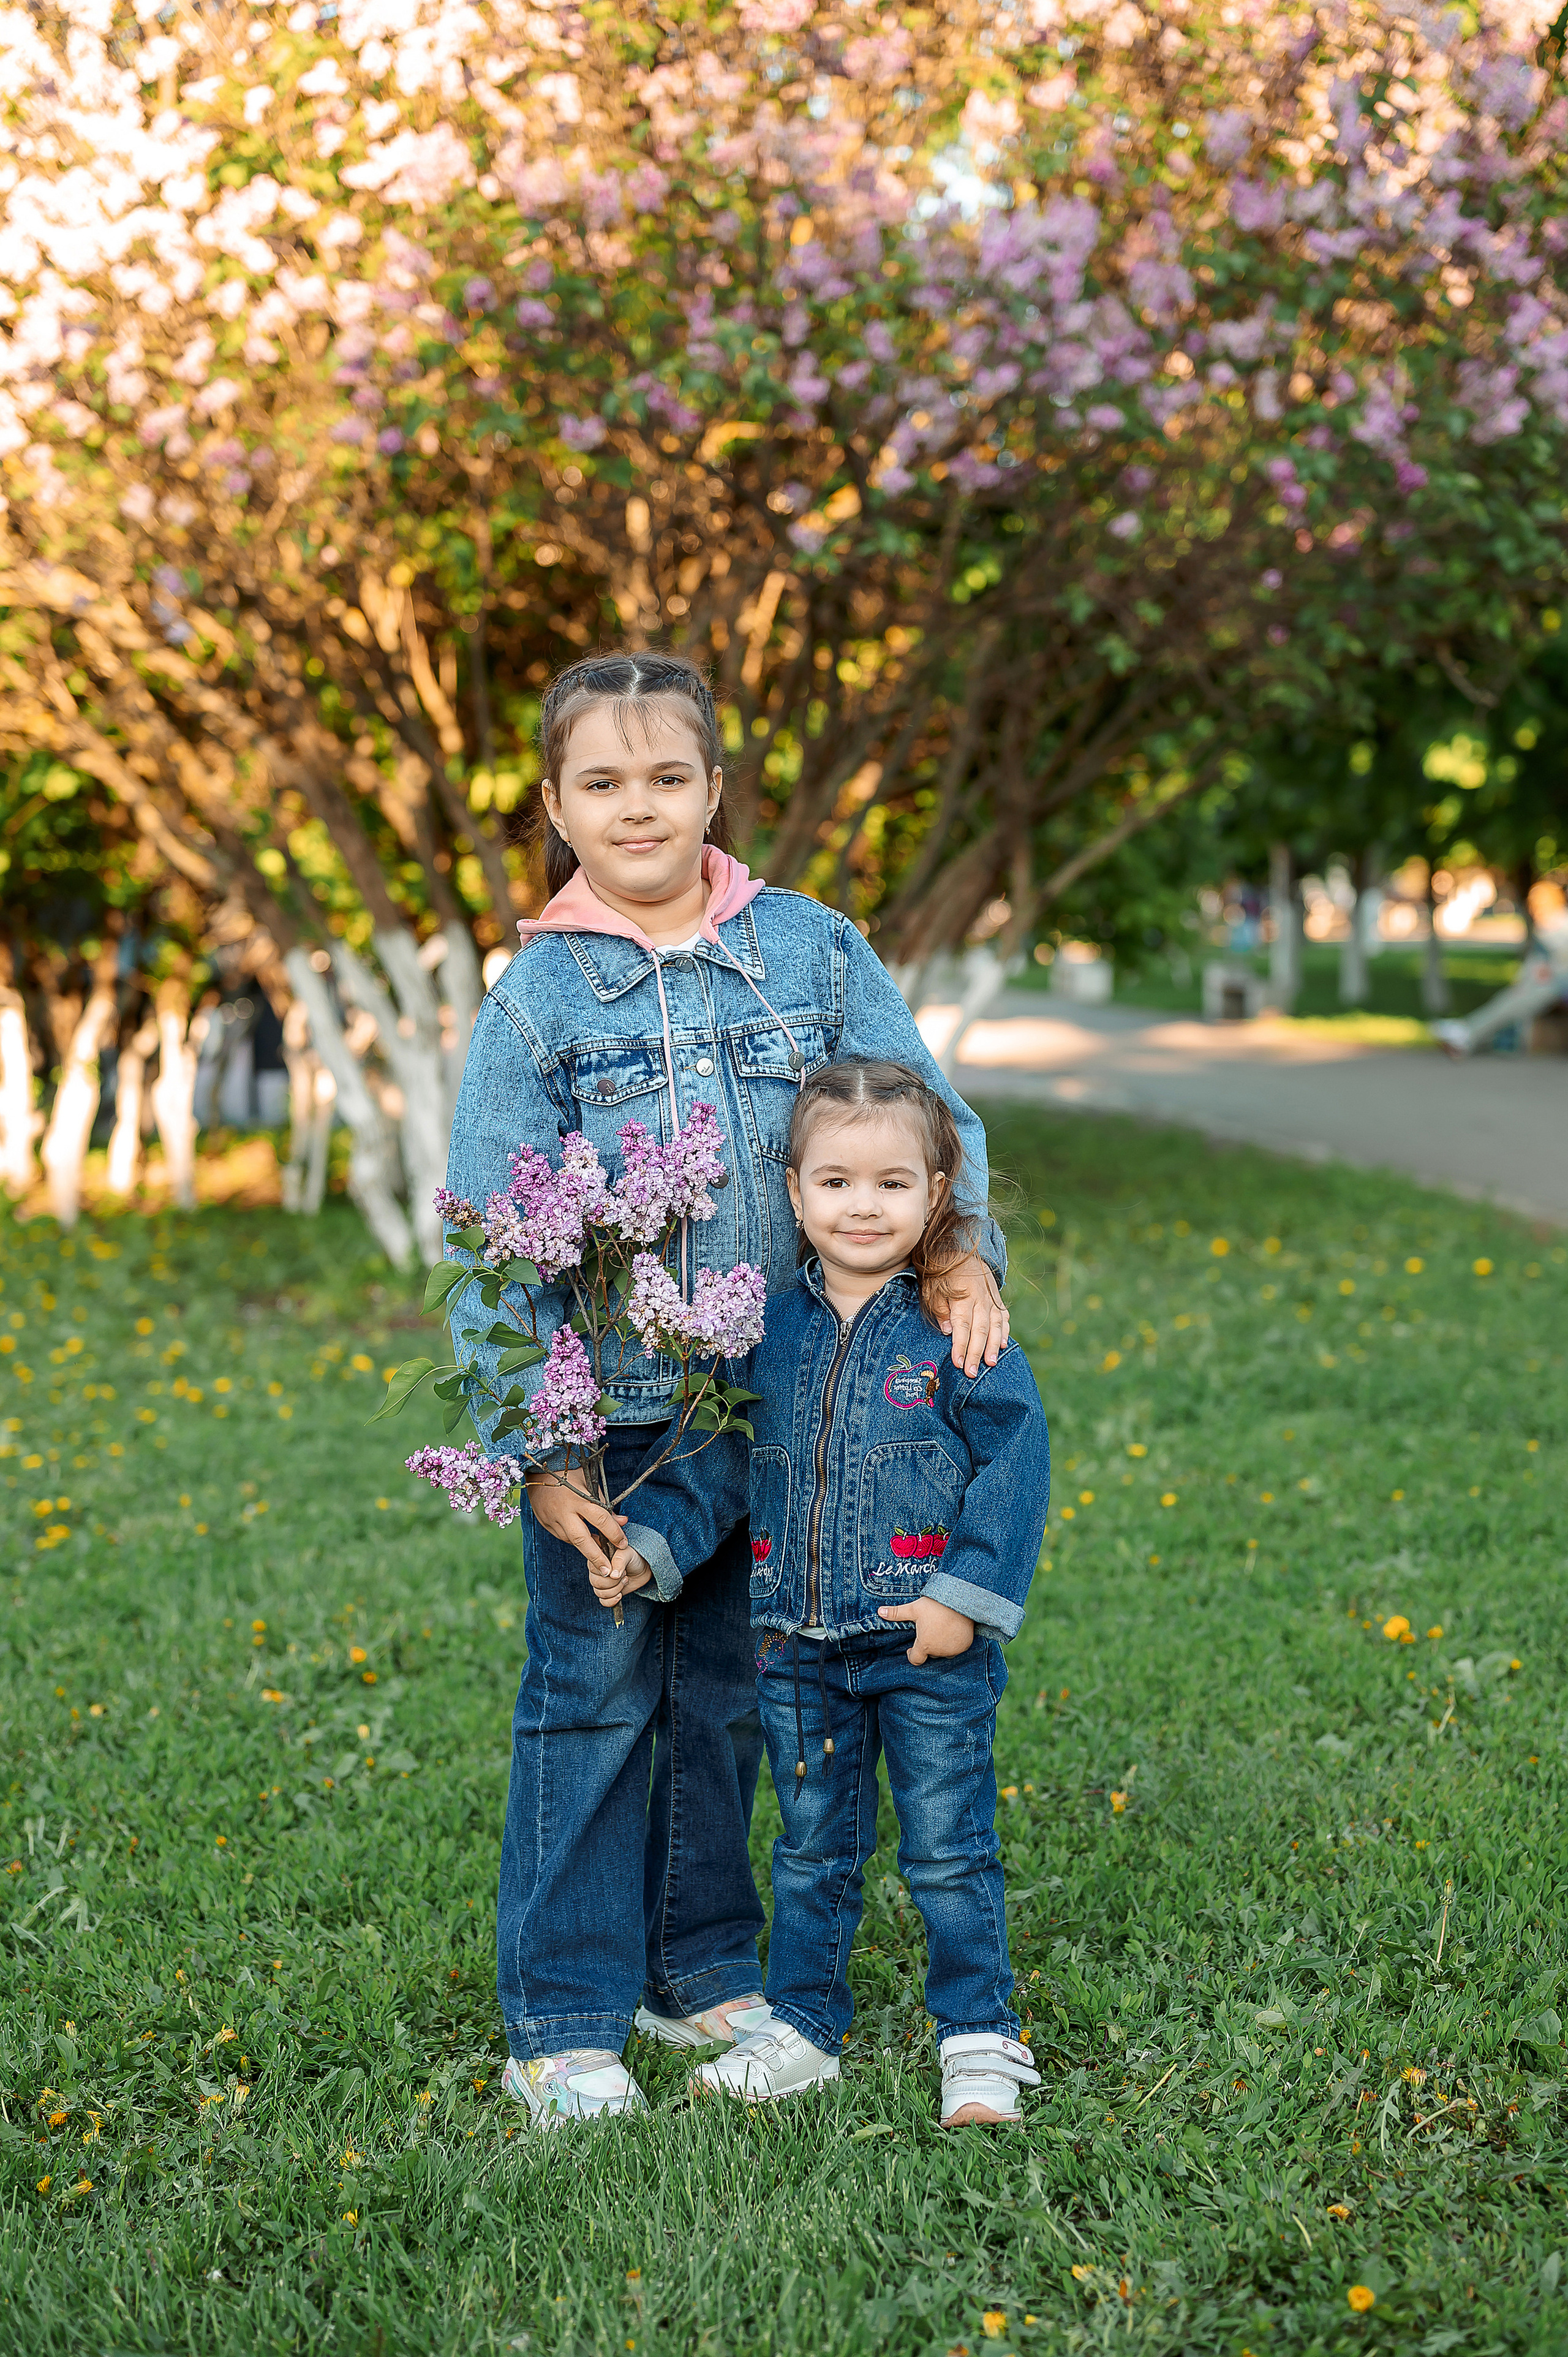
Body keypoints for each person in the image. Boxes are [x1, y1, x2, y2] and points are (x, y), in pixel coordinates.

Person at [443, 651, 1012, 2129]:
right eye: (601, 782)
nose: (636, 808)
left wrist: (957, 1258)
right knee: (591, 1697)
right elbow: (489, 1234)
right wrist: (541, 1445)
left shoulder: (811, 953)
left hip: (782, 1401)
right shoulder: (539, 999)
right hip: (616, 1418)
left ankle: (694, 1966)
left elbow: (929, 1119)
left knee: (729, 1696)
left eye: (666, 777)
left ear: (712, 788)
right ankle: (561, 2017)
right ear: (555, 803)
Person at [596, 1058, 1049, 2130]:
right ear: (794, 1193)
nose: (863, 1206)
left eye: (893, 1183)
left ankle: (978, 2032)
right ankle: (802, 2025)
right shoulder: (765, 1331)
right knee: (810, 1851)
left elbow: (1015, 1463)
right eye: (837, 1182)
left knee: (948, 1847)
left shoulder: (957, 1326)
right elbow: (718, 1461)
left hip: (925, 1642)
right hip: (795, 1646)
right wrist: (652, 1546)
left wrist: (964, 1596)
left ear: (937, 1194)